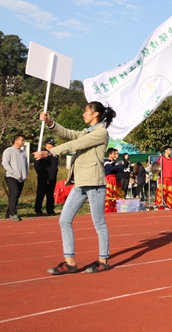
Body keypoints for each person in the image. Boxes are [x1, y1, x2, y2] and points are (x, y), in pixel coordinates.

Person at [35, 102, 115, 274]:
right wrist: (50, 123)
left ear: (96, 114)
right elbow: (68, 134)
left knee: (99, 223)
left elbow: (76, 144)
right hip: (80, 182)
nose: (83, 114)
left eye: (86, 111)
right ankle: (70, 261)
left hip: (94, 183)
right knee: (64, 220)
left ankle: (103, 260)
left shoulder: (101, 132)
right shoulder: (87, 131)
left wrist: (50, 152)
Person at [2, 133, 28, 221]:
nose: (23, 142)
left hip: (21, 178)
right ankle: (13, 213)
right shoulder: (8, 151)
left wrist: (25, 174)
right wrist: (14, 173)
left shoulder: (23, 153)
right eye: (22, 140)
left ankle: (8, 213)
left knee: (16, 195)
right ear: (16, 141)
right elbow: (5, 164)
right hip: (11, 176)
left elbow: (26, 165)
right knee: (14, 192)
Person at [34, 137, 58, 216]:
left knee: (50, 194)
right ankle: (38, 210)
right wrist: (41, 173)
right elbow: (37, 165)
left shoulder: (55, 154)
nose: (52, 146)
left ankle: (50, 210)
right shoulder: (42, 153)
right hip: (43, 177)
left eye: (53, 144)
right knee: (41, 194)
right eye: (50, 144)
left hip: (53, 177)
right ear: (46, 144)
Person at [104, 148, 122, 213]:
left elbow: (120, 168)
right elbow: (110, 169)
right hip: (109, 179)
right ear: (110, 154)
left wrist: (114, 168)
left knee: (114, 194)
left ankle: (113, 207)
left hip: (114, 179)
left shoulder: (115, 161)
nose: (115, 155)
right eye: (114, 154)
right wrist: (115, 168)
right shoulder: (106, 161)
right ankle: (107, 208)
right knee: (108, 193)